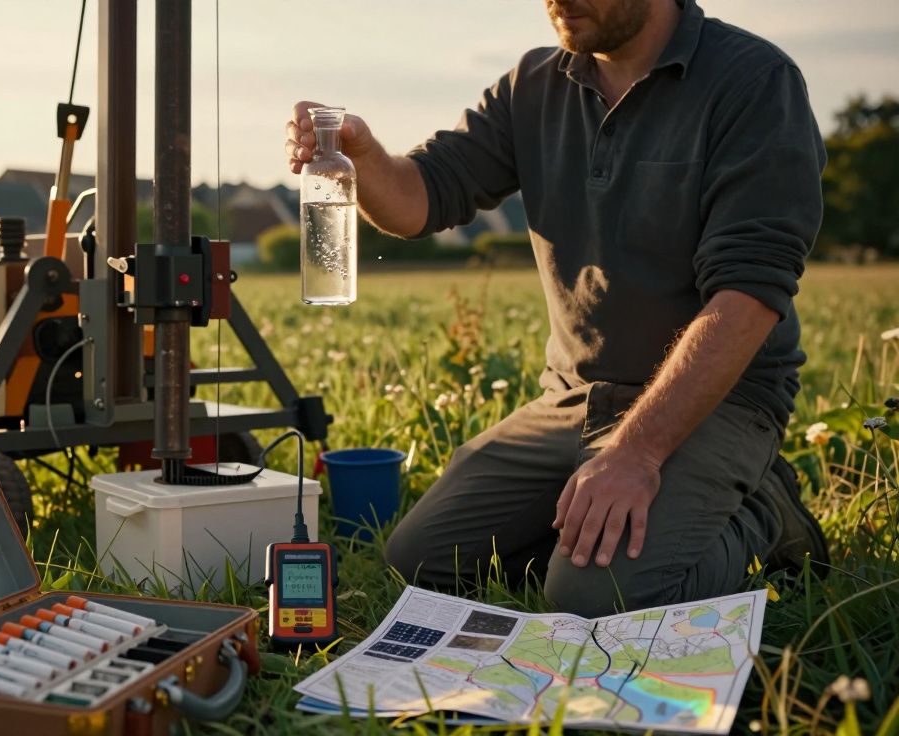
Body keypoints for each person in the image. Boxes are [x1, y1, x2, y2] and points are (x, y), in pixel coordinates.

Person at [285, 0, 828, 617]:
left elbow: (749, 294)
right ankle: (601, 526)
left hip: (715, 403)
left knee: (597, 599)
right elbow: (420, 200)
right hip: (571, 398)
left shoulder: (754, 81)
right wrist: (363, 156)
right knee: (422, 559)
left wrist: (637, 454)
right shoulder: (533, 84)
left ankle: (764, 514)